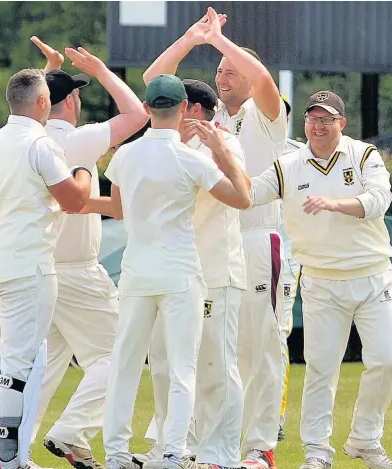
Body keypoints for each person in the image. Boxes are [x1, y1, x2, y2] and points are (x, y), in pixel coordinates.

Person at [142, 8, 287, 469]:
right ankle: (194, 446)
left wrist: (222, 41)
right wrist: (191, 39)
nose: (223, 75)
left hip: (260, 236)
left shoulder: (268, 115)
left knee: (259, 346)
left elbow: (261, 75)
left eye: (232, 70)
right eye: (219, 70)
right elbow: (154, 78)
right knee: (204, 349)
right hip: (210, 240)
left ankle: (259, 446)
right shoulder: (212, 114)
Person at [0, 68, 92, 469]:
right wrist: (84, 173)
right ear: (43, 103)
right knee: (19, 365)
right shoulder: (40, 145)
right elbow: (74, 201)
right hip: (27, 266)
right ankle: (8, 458)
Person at [102, 74, 251, 469]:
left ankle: (116, 454)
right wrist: (222, 152)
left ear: (148, 109)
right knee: (183, 367)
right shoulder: (191, 158)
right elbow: (243, 197)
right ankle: (171, 452)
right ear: (184, 108)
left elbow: (117, 209)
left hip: (136, 271)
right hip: (180, 272)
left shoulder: (125, 156)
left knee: (126, 363)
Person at [20, 39, 146, 469]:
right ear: (69, 101)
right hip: (76, 271)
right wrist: (102, 71)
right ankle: (72, 432)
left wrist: (47, 69)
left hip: (39, 269)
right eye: (75, 93)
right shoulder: (77, 140)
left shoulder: (28, 139)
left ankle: (14, 455)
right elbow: (138, 114)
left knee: (45, 368)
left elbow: (23, 102)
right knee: (123, 351)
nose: (78, 98)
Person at [250, 90, 392, 469]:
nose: (318, 125)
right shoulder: (288, 166)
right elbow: (248, 193)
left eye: (326, 119)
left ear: (340, 124)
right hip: (321, 282)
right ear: (305, 124)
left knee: (387, 359)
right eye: (313, 119)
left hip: (373, 276)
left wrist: (334, 204)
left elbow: (380, 200)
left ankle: (365, 438)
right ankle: (316, 452)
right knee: (321, 369)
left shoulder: (364, 155)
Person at [277, 95, 306, 442]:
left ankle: (276, 415)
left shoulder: (298, 157)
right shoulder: (237, 145)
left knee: (275, 337)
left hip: (283, 257)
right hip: (238, 254)